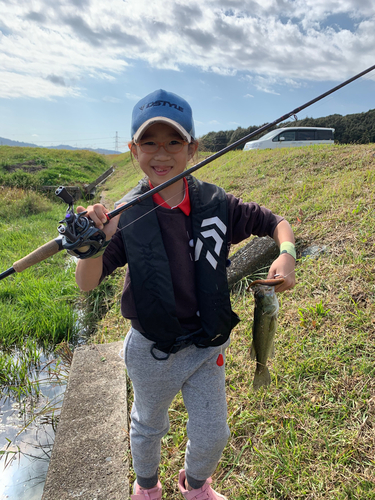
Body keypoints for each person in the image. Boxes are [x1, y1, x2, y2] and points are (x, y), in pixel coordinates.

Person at [75, 89, 296, 500]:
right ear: (132, 150)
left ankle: (196, 488)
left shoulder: (218, 204)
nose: (162, 153)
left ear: (193, 148)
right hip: (151, 349)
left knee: (214, 433)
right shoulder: (123, 216)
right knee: (148, 426)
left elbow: (275, 222)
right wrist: (91, 246)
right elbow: (87, 283)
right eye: (149, 142)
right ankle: (147, 489)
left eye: (174, 141)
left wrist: (287, 253)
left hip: (205, 344)